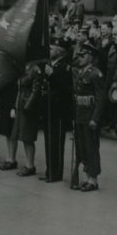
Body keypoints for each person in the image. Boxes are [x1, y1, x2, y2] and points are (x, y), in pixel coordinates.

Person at [72, 40, 106, 191]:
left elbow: (100, 98)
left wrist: (95, 118)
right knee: (82, 147)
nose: (80, 58)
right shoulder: (81, 72)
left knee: (91, 147)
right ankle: (86, 178)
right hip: (80, 114)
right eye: (80, 55)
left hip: (89, 115)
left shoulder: (96, 74)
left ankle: (93, 180)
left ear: (91, 56)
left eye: (84, 55)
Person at [43, 39, 72, 183]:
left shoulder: (65, 67)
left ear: (60, 51)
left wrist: (52, 75)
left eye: (53, 48)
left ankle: (56, 172)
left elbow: (66, 88)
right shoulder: (50, 65)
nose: (50, 51)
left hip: (59, 109)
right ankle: (49, 170)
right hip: (48, 108)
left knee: (57, 142)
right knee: (49, 140)